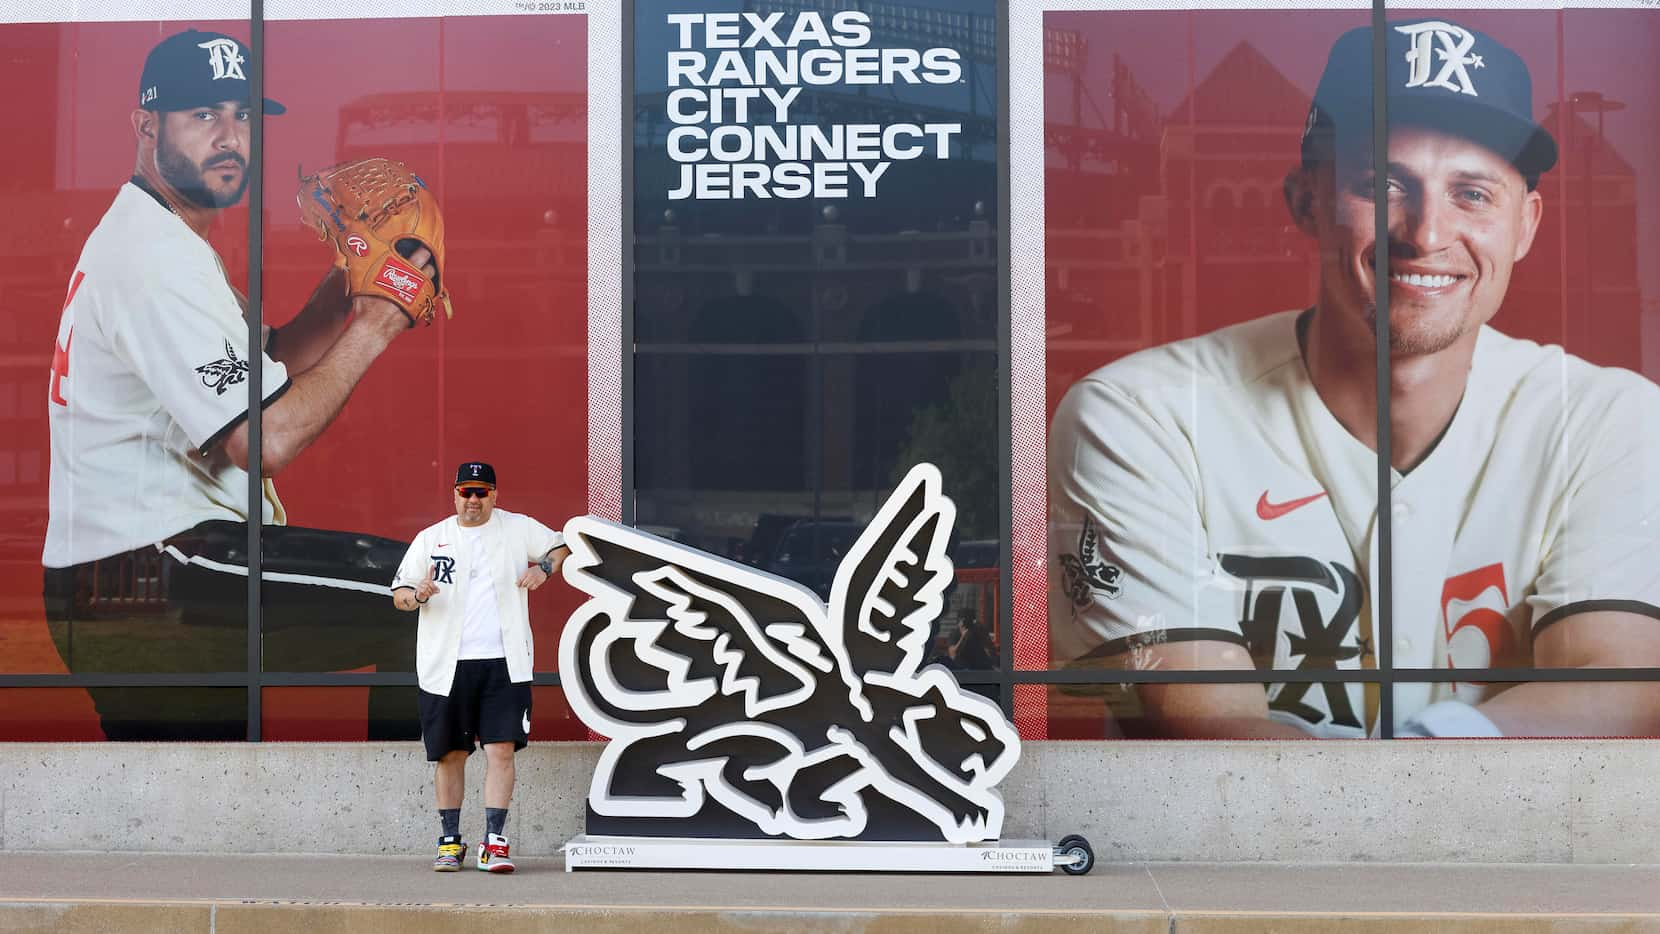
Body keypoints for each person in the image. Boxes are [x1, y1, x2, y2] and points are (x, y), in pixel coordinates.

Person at [1048, 18, 1660, 739]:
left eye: (1472, 194)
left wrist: (1418, 763)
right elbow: (1205, 741)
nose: (1427, 233)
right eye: (1384, 183)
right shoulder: (1140, 417)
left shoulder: (1607, 420)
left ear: (1525, 225)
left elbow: (1616, 689)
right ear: (1306, 200)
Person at [42, 28, 435, 739]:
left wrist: (348, 286)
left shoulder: (159, 237)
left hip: (138, 574)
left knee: (183, 810)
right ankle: (420, 826)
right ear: (146, 125)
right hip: (154, 572)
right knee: (430, 595)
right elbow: (267, 436)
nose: (230, 136)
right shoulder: (154, 259)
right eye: (203, 116)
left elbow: (266, 359)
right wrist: (378, 323)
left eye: (243, 115)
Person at [391, 462, 570, 873]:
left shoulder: (517, 527)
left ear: (495, 494)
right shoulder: (432, 538)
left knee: (501, 750)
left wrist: (542, 569)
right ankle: (450, 842)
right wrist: (417, 594)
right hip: (445, 666)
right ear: (454, 494)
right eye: (466, 492)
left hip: (506, 663)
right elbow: (398, 595)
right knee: (451, 754)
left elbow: (562, 545)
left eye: (482, 492)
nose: (473, 500)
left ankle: (494, 843)